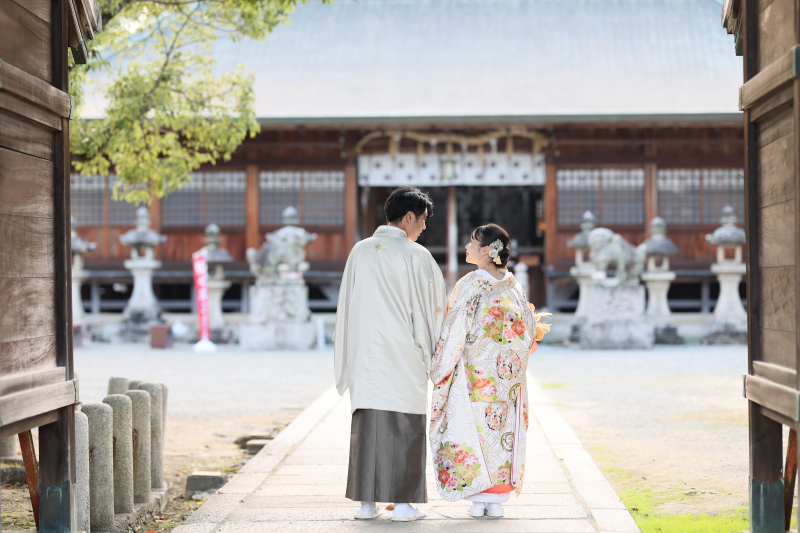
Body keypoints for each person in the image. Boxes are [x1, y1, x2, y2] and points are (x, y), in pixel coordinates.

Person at [334, 186, 447, 522]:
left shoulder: (361, 250)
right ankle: (402, 504)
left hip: (366, 352)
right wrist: (437, 350)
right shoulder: (416, 255)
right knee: (404, 424)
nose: (424, 228)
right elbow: (434, 308)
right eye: (423, 220)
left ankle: (366, 504)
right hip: (403, 351)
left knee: (367, 424)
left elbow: (346, 303)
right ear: (409, 217)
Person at [429, 223, 547, 518]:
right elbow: (528, 329)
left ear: (485, 250)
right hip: (506, 378)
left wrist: (439, 365)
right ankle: (495, 501)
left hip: (472, 374)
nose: (467, 246)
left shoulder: (470, 284)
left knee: (471, 430)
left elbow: (454, 329)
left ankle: (478, 497)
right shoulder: (513, 286)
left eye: (471, 241)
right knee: (501, 433)